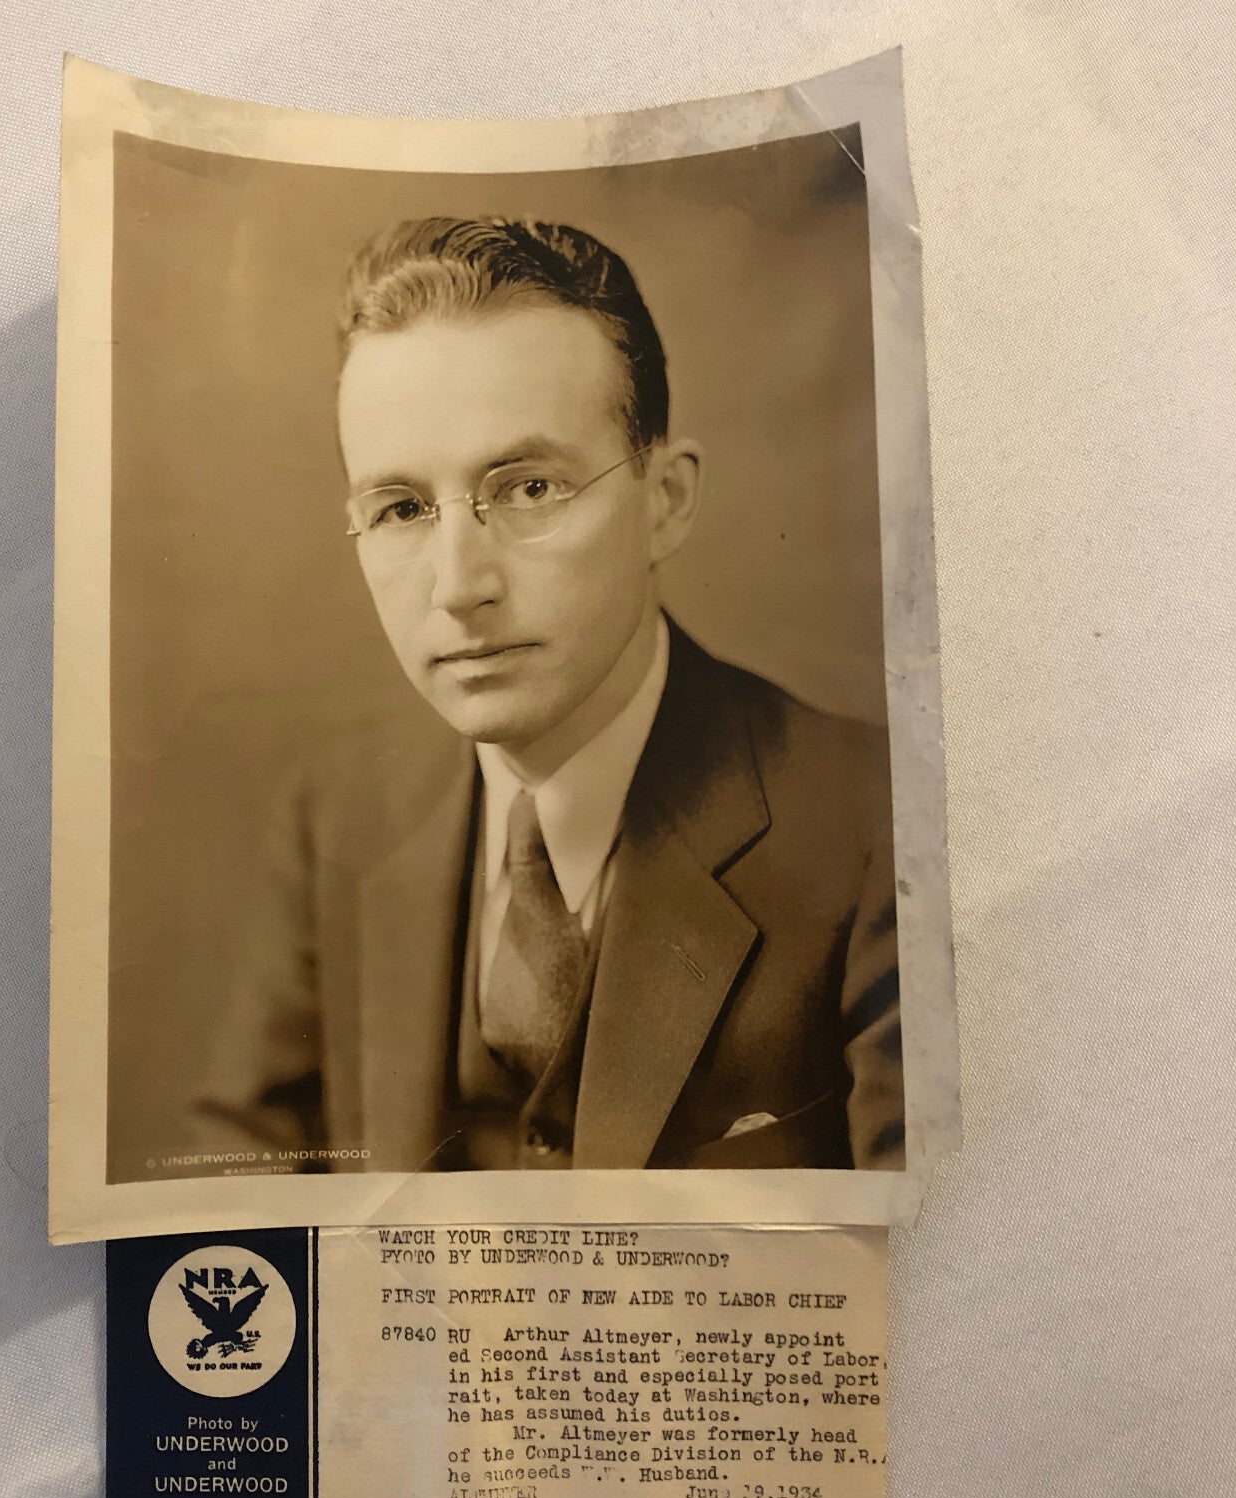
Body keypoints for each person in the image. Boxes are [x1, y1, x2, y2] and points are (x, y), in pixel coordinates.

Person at [186, 216, 903, 1174]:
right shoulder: (340, 818)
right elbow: (234, 1199)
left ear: (665, 501)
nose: (458, 585)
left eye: (527, 489)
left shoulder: (873, 823)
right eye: (401, 509)